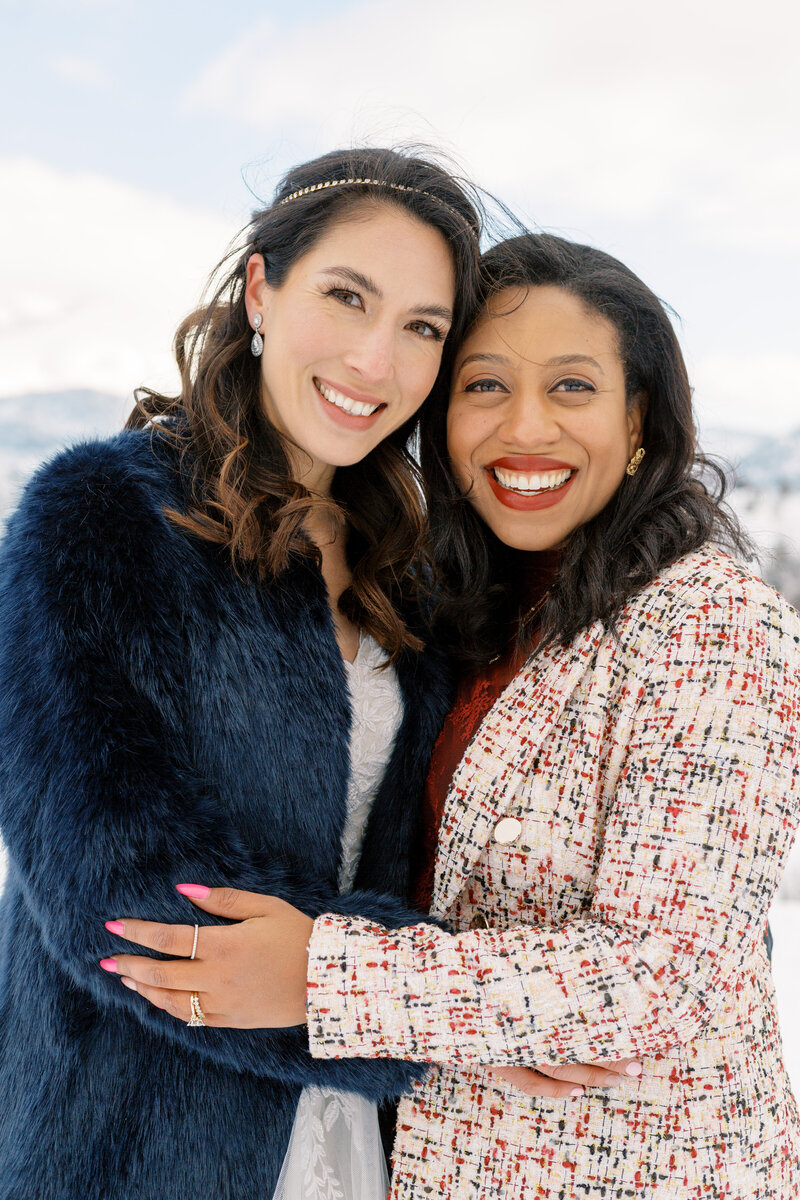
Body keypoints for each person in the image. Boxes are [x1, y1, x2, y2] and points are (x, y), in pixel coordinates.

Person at [110, 231, 800, 1197]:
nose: (526, 428)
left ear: (638, 414)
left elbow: (662, 975)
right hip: (435, 1155)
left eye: (572, 387)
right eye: (484, 386)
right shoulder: (454, 605)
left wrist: (325, 976)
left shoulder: (710, 622)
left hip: (636, 1168)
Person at [0, 146, 485, 1200]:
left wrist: (427, 1001)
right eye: (345, 296)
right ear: (261, 287)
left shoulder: (417, 577)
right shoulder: (104, 515)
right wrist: (423, 1019)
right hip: (131, 1141)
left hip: (357, 1150)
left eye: (421, 329)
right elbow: (112, 889)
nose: (374, 358)